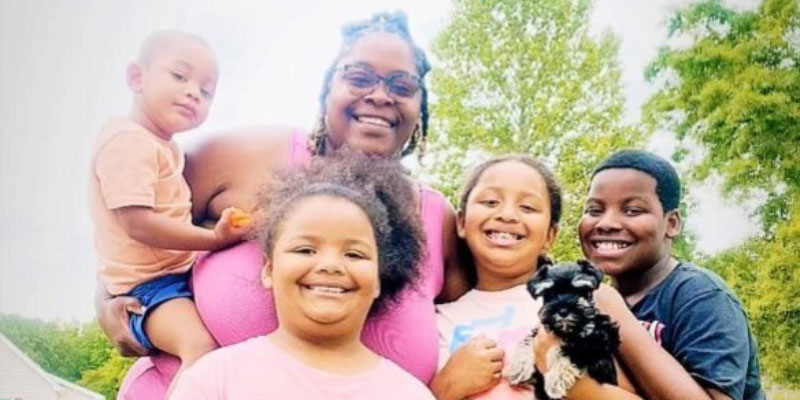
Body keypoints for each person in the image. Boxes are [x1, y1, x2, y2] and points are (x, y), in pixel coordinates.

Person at [95, 12, 467, 399]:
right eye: (358, 77)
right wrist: (106, 300)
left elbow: (488, 318)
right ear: (327, 91)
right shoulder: (243, 156)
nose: (379, 95)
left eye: (402, 85)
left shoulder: (438, 220)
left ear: (421, 105)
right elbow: (125, 213)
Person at [170, 152, 436, 399]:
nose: (331, 265)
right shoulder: (216, 377)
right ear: (269, 270)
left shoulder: (408, 393)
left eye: (354, 254)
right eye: (306, 249)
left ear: (378, 278)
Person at [88, 30, 251, 389]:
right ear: (136, 77)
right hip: (147, 290)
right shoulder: (127, 141)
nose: (194, 91)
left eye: (206, 91)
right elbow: (138, 224)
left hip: (169, 281)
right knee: (200, 347)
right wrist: (214, 239)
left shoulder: (164, 147)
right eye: (179, 76)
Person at [431, 155, 640, 400]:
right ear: (462, 222)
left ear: (550, 235)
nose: (507, 215)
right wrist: (445, 387)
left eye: (527, 207)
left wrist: (581, 389)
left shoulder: (583, 307)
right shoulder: (437, 319)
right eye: (490, 201)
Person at [580, 150, 765, 400]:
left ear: (672, 223)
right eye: (594, 210)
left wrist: (616, 315)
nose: (607, 223)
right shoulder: (583, 302)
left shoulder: (702, 298)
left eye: (633, 210)